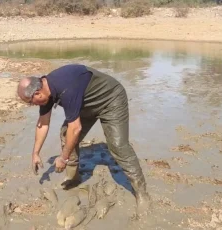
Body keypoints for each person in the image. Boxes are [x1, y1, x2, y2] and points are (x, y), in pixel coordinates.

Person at [17, 64, 150, 215]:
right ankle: (73, 178)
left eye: (30, 102)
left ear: (37, 92)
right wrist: (35, 153)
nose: (31, 105)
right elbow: (43, 123)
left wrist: (63, 158)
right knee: (65, 134)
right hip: (86, 104)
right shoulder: (45, 91)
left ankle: (142, 192)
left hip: (111, 100)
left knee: (118, 145)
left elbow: (76, 129)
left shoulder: (66, 87)